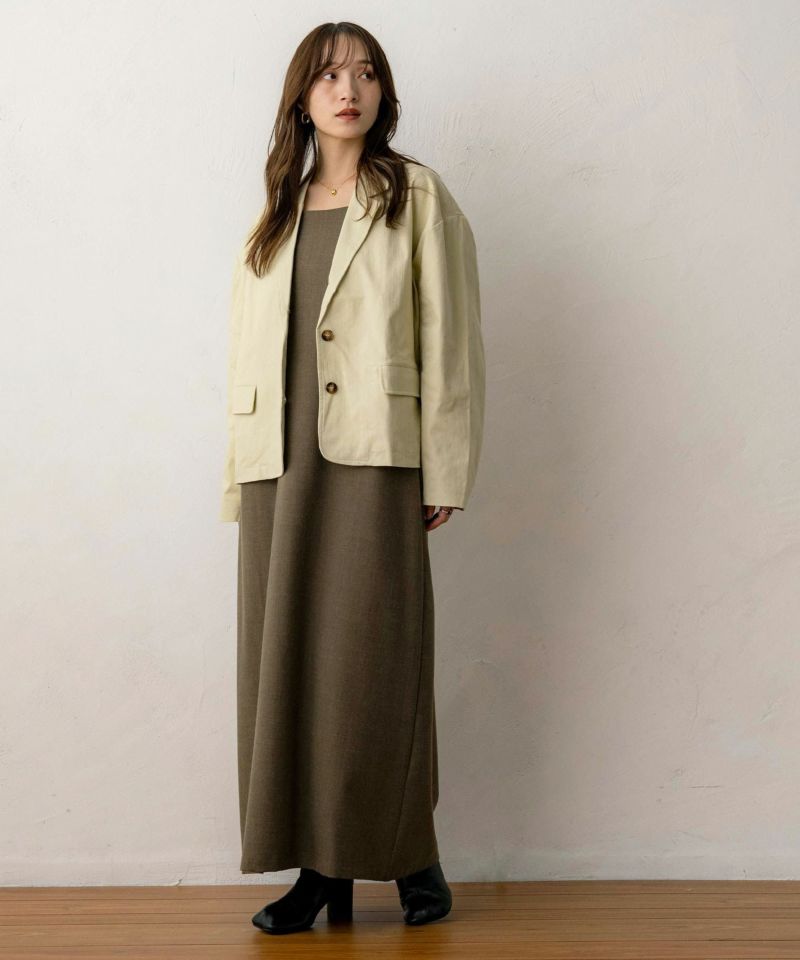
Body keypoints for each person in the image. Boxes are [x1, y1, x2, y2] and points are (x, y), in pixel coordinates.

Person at [219, 21, 486, 935]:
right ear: (302, 97)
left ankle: (411, 854)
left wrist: (444, 463)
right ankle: (318, 870)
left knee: (373, 660)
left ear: (382, 94)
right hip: (279, 465)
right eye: (331, 75)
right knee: (286, 663)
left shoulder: (417, 196)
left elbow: (452, 339)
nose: (349, 90)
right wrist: (238, 475)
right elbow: (246, 353)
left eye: (366, 74)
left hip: (374, 455)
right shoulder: (276, 211)